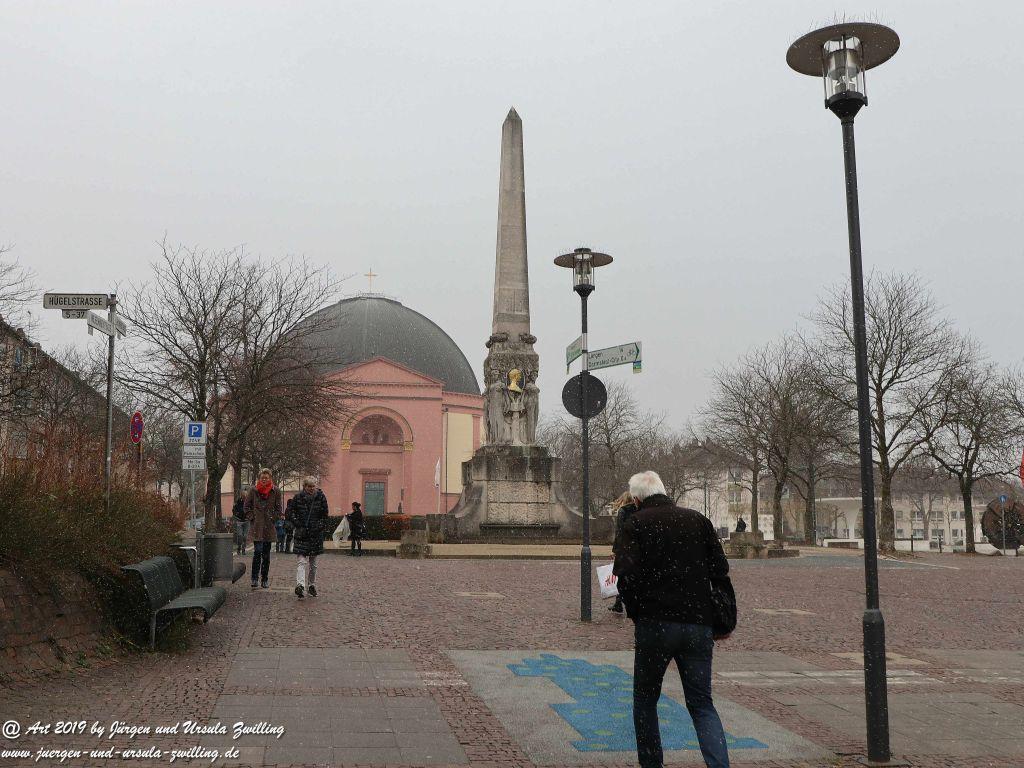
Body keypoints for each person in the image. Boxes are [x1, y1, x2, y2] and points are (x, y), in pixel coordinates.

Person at [613, 470, 732, 768]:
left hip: (655, 624)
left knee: (645, 699)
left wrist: (638, 612)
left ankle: (652, 764)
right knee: (702, 704)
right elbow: (720, 572)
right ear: (664, 491)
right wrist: (721, 619)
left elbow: (624, 576)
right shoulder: (698, 520)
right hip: (697, 624)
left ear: (637, 499)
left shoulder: (636, 523)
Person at [289, 476, 329, 598]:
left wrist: (318, 526)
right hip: (302, 533)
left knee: (313, 563)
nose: (311, 488)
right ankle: (300, 585)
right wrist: (297, 523)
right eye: (309, 486)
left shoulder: (321, 497)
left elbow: (324, 514)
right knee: (301, 561)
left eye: (313, 486)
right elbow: (291, 512)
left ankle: (311, 584)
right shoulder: (297, 498)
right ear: (304, 487)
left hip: (315, 534)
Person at [244, 468, 282, 590]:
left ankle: (264, 578)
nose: (264, 480)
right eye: (262, 478)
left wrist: (273, 518)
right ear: (259, 478)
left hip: (268, 527)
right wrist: (252, 517)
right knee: (257, 552)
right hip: (257, 526)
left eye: (267, 477)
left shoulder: (275, 491)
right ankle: (254, 578)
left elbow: (278, 508)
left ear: (270, 478)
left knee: (266, 554)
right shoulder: (253, 491)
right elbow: (246, 506)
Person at [609, 491, 638, 614]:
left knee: (622, 576)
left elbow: (620, 533)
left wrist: (616, 550)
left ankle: (620, 603)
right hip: (636, 548)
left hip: (625, 548)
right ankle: (620, 602)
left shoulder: (623, 511)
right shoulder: (639, 510)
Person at [232, 488, 250, 555]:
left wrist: (249, 516)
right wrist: (236, 514)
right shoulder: (238, 501)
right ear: (241, 495)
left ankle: (243, 549)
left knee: (245, 536)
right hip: (239, 520)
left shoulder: (249, 502)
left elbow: (251, 510)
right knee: (240, 535)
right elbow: (234, 510)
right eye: (244, 495)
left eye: (246, 495)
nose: (245, 496)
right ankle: (239, 547)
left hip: (246, 521)